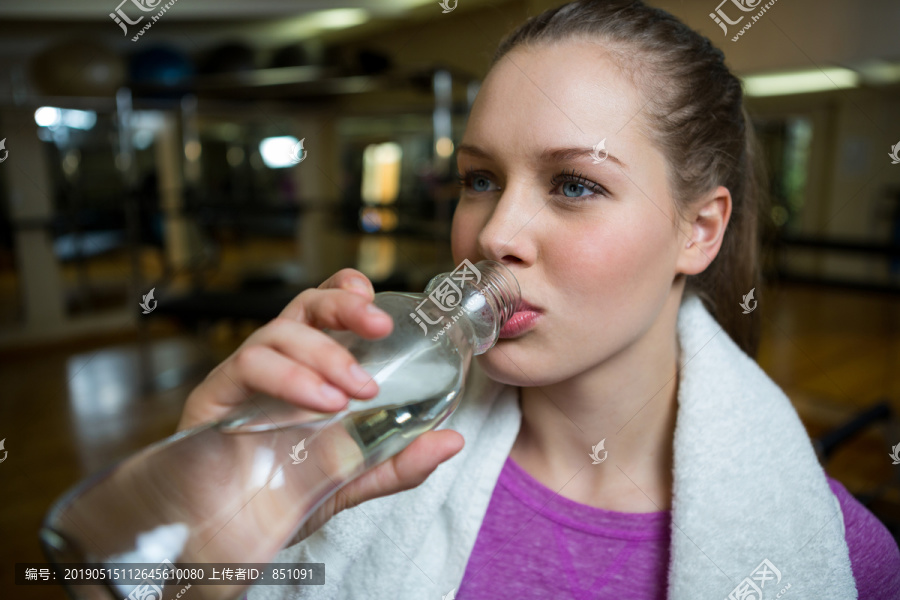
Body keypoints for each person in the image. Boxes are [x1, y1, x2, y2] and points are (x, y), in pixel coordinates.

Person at [180, 1, 900, 598]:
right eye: (481, 179)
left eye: (575, 184)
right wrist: (203, 537)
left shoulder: (842, 561)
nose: (495, 234)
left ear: (699, 230)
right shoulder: (352, 450)